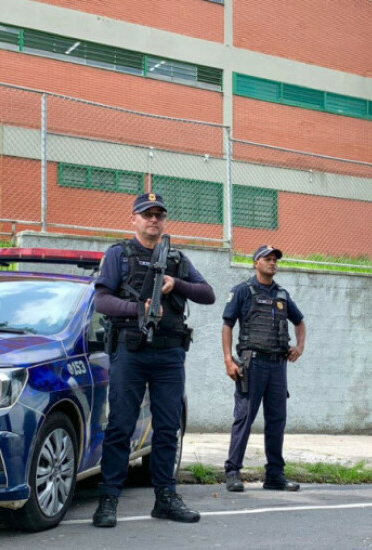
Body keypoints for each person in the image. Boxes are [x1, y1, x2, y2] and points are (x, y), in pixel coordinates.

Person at [92, 192, 216, 528]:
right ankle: (108, 499)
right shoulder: (119, 254)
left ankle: (165, 498)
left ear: (164, 221)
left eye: (159, 215)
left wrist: (177, 284)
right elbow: (101, 300)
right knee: (120, 426)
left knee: (167, 428)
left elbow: (208, 294)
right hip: (131, 352)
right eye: (147, 214)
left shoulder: (176, 258)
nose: (153, 220)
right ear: (133, 219)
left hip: (169, 354)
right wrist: (138, 309)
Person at [221, 245, 306, 493]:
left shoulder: (282, 295)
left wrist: (300, 346)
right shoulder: (242, 291)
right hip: (252, 364)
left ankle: (275, 476)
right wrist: (229, 360)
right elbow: (227, 325)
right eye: (267, 259)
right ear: (256, 263)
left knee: (277, 420)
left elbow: (300, 321)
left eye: (275, 260)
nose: (272, 263)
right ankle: (233, 473)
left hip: (278, 365)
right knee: (244, 418)